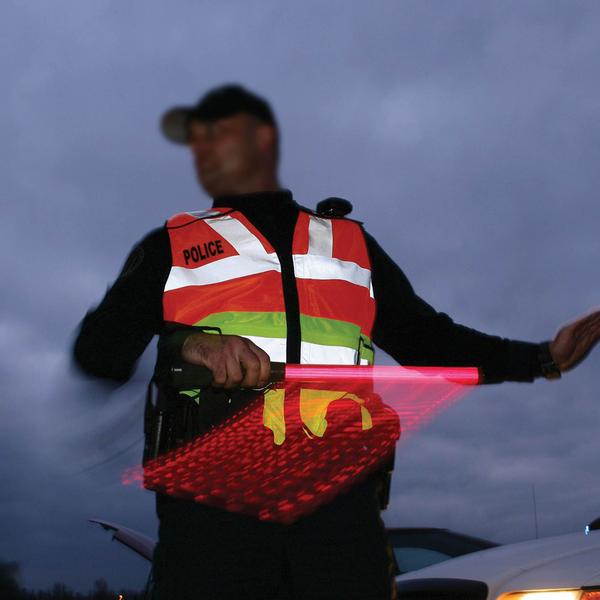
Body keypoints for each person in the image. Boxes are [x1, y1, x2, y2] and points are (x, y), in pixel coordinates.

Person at [74, 84, 599, 600]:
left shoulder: (350, 243)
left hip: (340, 520)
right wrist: (186, 344)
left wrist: (542, 358)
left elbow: (431, 340)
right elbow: (98, 354)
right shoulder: (171, 244)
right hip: (213, 522)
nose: (206, 149)